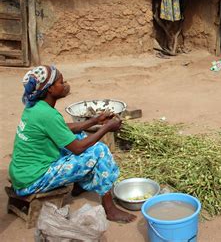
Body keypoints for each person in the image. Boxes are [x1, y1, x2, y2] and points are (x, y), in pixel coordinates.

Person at [8, 65, 136, 223]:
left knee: (80, 135)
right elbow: (77, 148)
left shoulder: (35, 107)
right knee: (99, 150)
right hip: (32, 181)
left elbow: (62, 129)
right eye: (61, 82)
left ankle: (79, 185)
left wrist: (95, 120)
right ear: (49, 89)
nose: (65, 84)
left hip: (21, 174)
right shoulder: (47, 114)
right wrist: (107, 127)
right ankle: (109, 208)